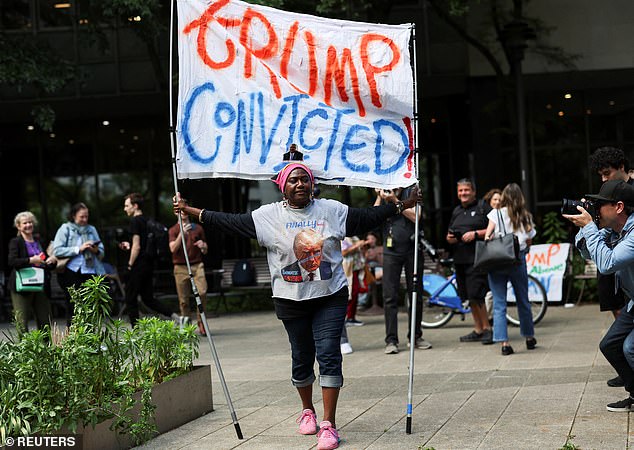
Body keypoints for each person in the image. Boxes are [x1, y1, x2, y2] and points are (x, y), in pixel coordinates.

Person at [173, 161, 420, 450]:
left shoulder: (331, 210)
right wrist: (189, 211)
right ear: (282, 187)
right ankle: (307, 411)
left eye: (305, 179)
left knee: (329, 353)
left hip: (330, 295)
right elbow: (229, 221)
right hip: (290, 299)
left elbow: (367, 217)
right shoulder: (268, 216)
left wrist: (404, 203)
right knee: (302, 356)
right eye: (293, 181)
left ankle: (328, 425)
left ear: (312, 184)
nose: (300, 184)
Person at [562, 179, 634, 411]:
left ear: (619, 207)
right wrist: (588, 227)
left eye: (601, 204)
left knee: (630, 348)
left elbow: (606, 263)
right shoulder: (615, 230)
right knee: (610, 345)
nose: (597, 208)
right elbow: (588, 254)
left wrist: (591, 228)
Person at [589, 146, 632, 388]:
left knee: (626, 343)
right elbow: (606, 231)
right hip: (616, 265)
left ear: (622, 168)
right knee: (617, 317)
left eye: (608, 173)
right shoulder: (609, 195)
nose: (604, 179)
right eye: (601, 176)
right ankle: (627, 369)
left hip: (622, 259)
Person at [484, 183, 537, 356]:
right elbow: (529, 241)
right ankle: (529, 337)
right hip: (517, 260)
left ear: (504, 196)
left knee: (499, 303)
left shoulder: (495, 213)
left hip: (498, 261)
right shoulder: (525, 216)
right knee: (523, 299)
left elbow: (487, 236)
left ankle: (504, 344)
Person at [376, 187, 430, 355]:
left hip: (412, 250)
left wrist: (394, 201)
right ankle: (391, 340)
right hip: (391, 252)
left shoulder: (412, 193)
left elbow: (417, 217)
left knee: (415, 294)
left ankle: (416, 336)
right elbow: (372, 218)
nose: (394, 188)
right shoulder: (384, 198)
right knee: (389, 296)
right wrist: (379, 197)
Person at [120, 193, 182, 327]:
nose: (125, 209)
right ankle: (177, 318)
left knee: (130, 298)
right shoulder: (148, 220)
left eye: (127, 206)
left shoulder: (135, 221)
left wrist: (129, 265)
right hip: (148, 264)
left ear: (135, 206)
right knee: (148, 298)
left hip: (138, 265)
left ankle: (135, 331)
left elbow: (137, 246)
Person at [446, 178, 493, 343]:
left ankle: (487, 328)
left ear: (473, 191)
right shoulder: (456, 211)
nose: (463, 193)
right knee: (468, 296)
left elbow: (494, 228)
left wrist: (475, 234)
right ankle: (478, 328)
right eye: (460, 191)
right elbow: (448, 235)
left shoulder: (482, 207)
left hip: (477, 258)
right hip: (460, 260)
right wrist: (451, 238)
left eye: (466, 190)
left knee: (477, 294)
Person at [52, 202, 106, 325]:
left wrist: (95, 250)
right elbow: (57, 250)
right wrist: (78, 249)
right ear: (73, 216)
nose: (85, 219)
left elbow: (102, 251)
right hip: (71, 272)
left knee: (91, 306)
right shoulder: (65, 228)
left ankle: (91, 337)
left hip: (90, 271)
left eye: (86, 216)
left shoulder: (92, 229)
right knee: (73, 306)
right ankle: (74, 338)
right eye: (82, 216)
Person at [7, 211, 54, 332]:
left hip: (40, 284)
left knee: (45, 320)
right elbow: (12, 261)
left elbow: (46, 261)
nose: (28, 225)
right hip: (22, 285)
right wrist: (30, 260)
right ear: (19, 226)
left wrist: (51, 261)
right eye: (25, 223)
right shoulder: (15, 242)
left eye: (30, 222)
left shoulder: (39, 241)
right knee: (22, 321)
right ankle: (25, 349)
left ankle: (46, 349)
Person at [168, 209, 209, 335]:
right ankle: (186, 326)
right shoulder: (173, 230)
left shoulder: (198, 229)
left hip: (197, 265)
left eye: (184, 210)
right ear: (175, 213)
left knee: (202, 291)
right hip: (180, 267)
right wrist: (181, 234)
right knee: (183, 300)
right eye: (179, 211)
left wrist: (203, 246)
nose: (182, 213)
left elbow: (205, 250)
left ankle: (201, 321)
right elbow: (173, 249)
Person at [341, 236, 367, 326]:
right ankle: (348, 317)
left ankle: (351, 317)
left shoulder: (355, 238)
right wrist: (356, 246)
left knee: (355, 292)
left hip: (356, 268)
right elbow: (343, 252)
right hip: (346, 270)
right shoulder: (343, 238)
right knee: (350, 293)